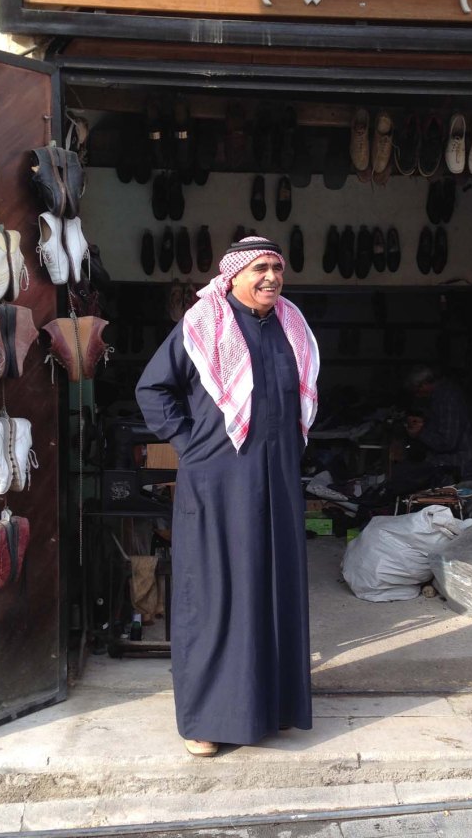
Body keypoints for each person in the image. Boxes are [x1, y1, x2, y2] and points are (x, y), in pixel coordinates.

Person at [136, 236, 320, 757]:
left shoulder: (291, 326)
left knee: (274, 589)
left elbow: (300, 395)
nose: (270, 277)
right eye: (259, 268)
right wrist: (189, 445)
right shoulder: (202, 324)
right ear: (234, 275)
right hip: (217, 479)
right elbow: (152, 389)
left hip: (278, 479)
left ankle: (274, 707)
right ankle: (207, 720)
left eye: (276, 268)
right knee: (217, 595)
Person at [388, 365, 472, 492]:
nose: (418, 395)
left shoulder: (447, 399)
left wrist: (420, 433)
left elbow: (447, 442)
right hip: (447, 460)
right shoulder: (440, 395)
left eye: (417, 390)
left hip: (457, 463)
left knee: (402, 475)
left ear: (424, 384)